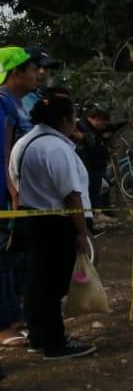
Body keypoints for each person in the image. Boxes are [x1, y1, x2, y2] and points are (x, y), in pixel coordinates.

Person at [8, 93, 96, 359]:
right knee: (53, 285)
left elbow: (14, 181)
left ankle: (38, 336)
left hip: (31, 219)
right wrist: (81, 232)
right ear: (65, 120)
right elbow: (72, 195)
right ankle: (53, 342)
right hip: (56, 224)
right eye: (73, 118)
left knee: (38, 282)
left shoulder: (24, 143)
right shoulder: (55, 148)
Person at [0, 47, 42, 350]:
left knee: (14, 259)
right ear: (16, 73)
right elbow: (4, 156)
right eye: (31, 69)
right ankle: (2, 327)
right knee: (3, 260)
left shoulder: (17, 104)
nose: (36, 74)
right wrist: (13, 193)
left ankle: (13, 317)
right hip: (6, 198)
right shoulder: (2, 105)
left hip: (19, 196)